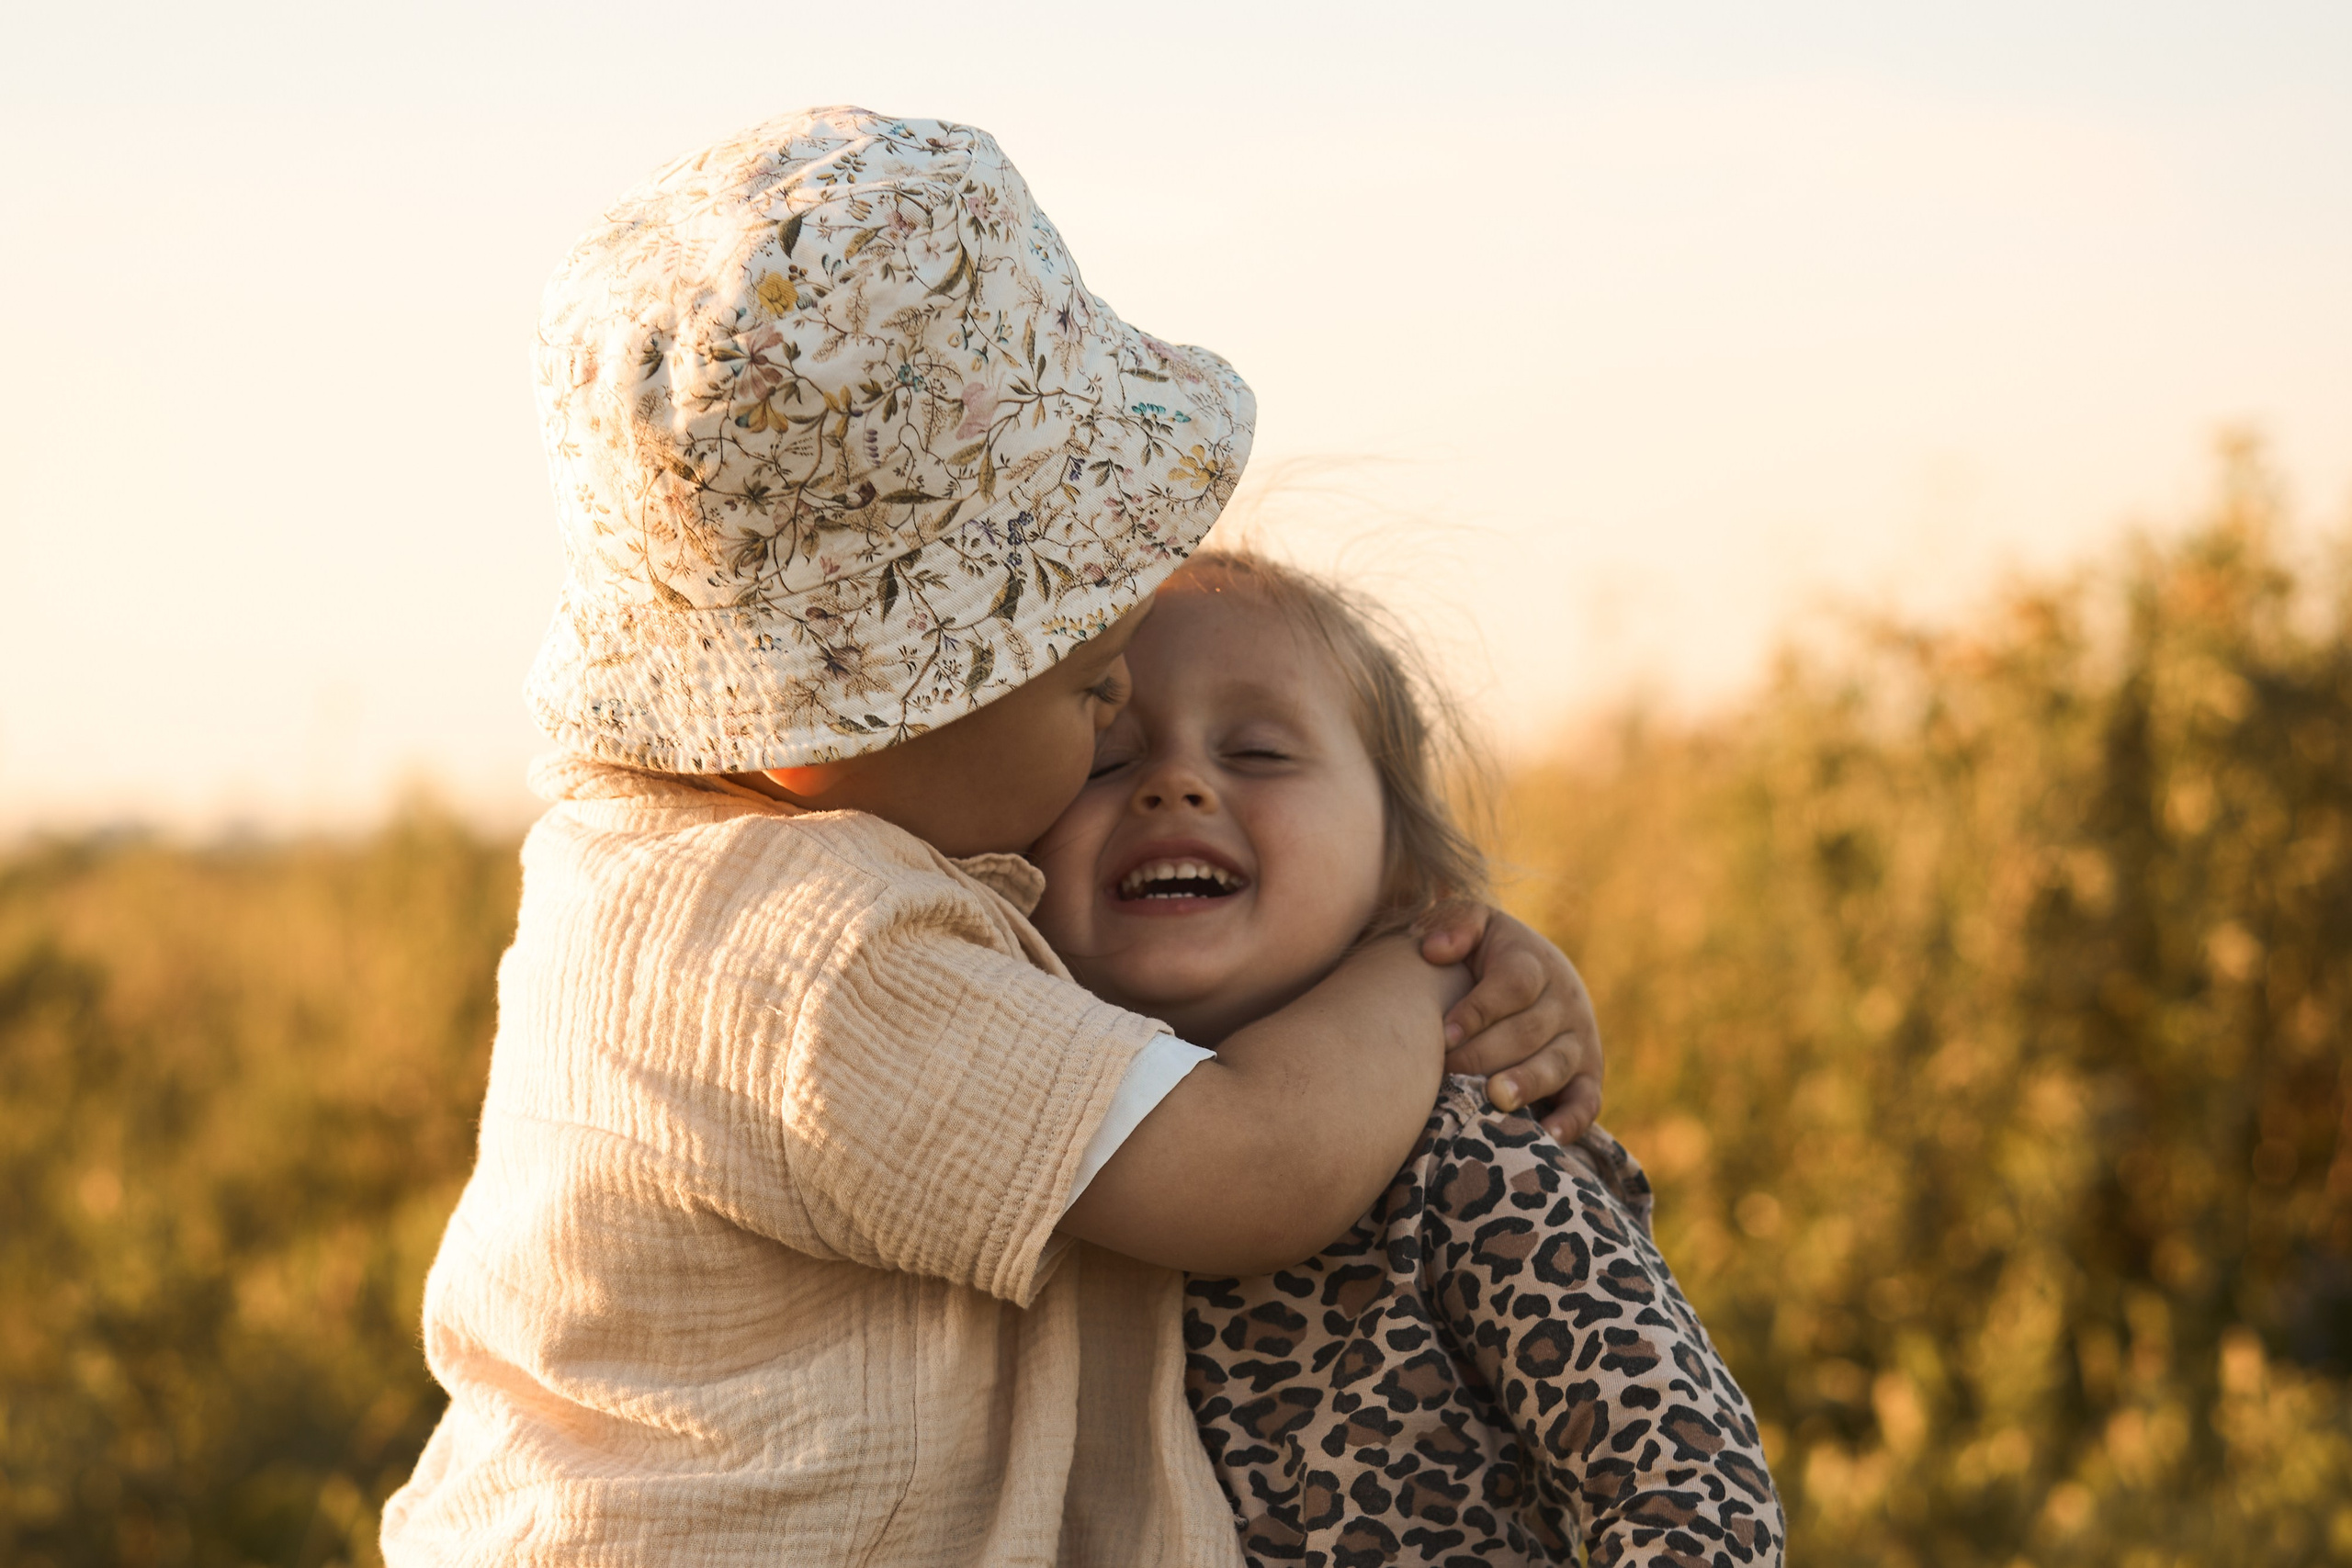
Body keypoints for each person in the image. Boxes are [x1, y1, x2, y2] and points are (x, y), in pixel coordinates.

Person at [379, 108, 1601, 1565]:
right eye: (1088, 684)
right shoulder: (817, 957)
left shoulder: (690, 871)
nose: (1120, 702)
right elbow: (1258, 1164)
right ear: (842, 714)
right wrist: (1421, 962)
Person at [1028, 552, 1785, 1566]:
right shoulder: (1018, 1146)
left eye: (1258, 751)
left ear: (1401, 867)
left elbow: (1691, 1489)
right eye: (1108, 759)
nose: (1174, 784)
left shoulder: (1466, 1152)